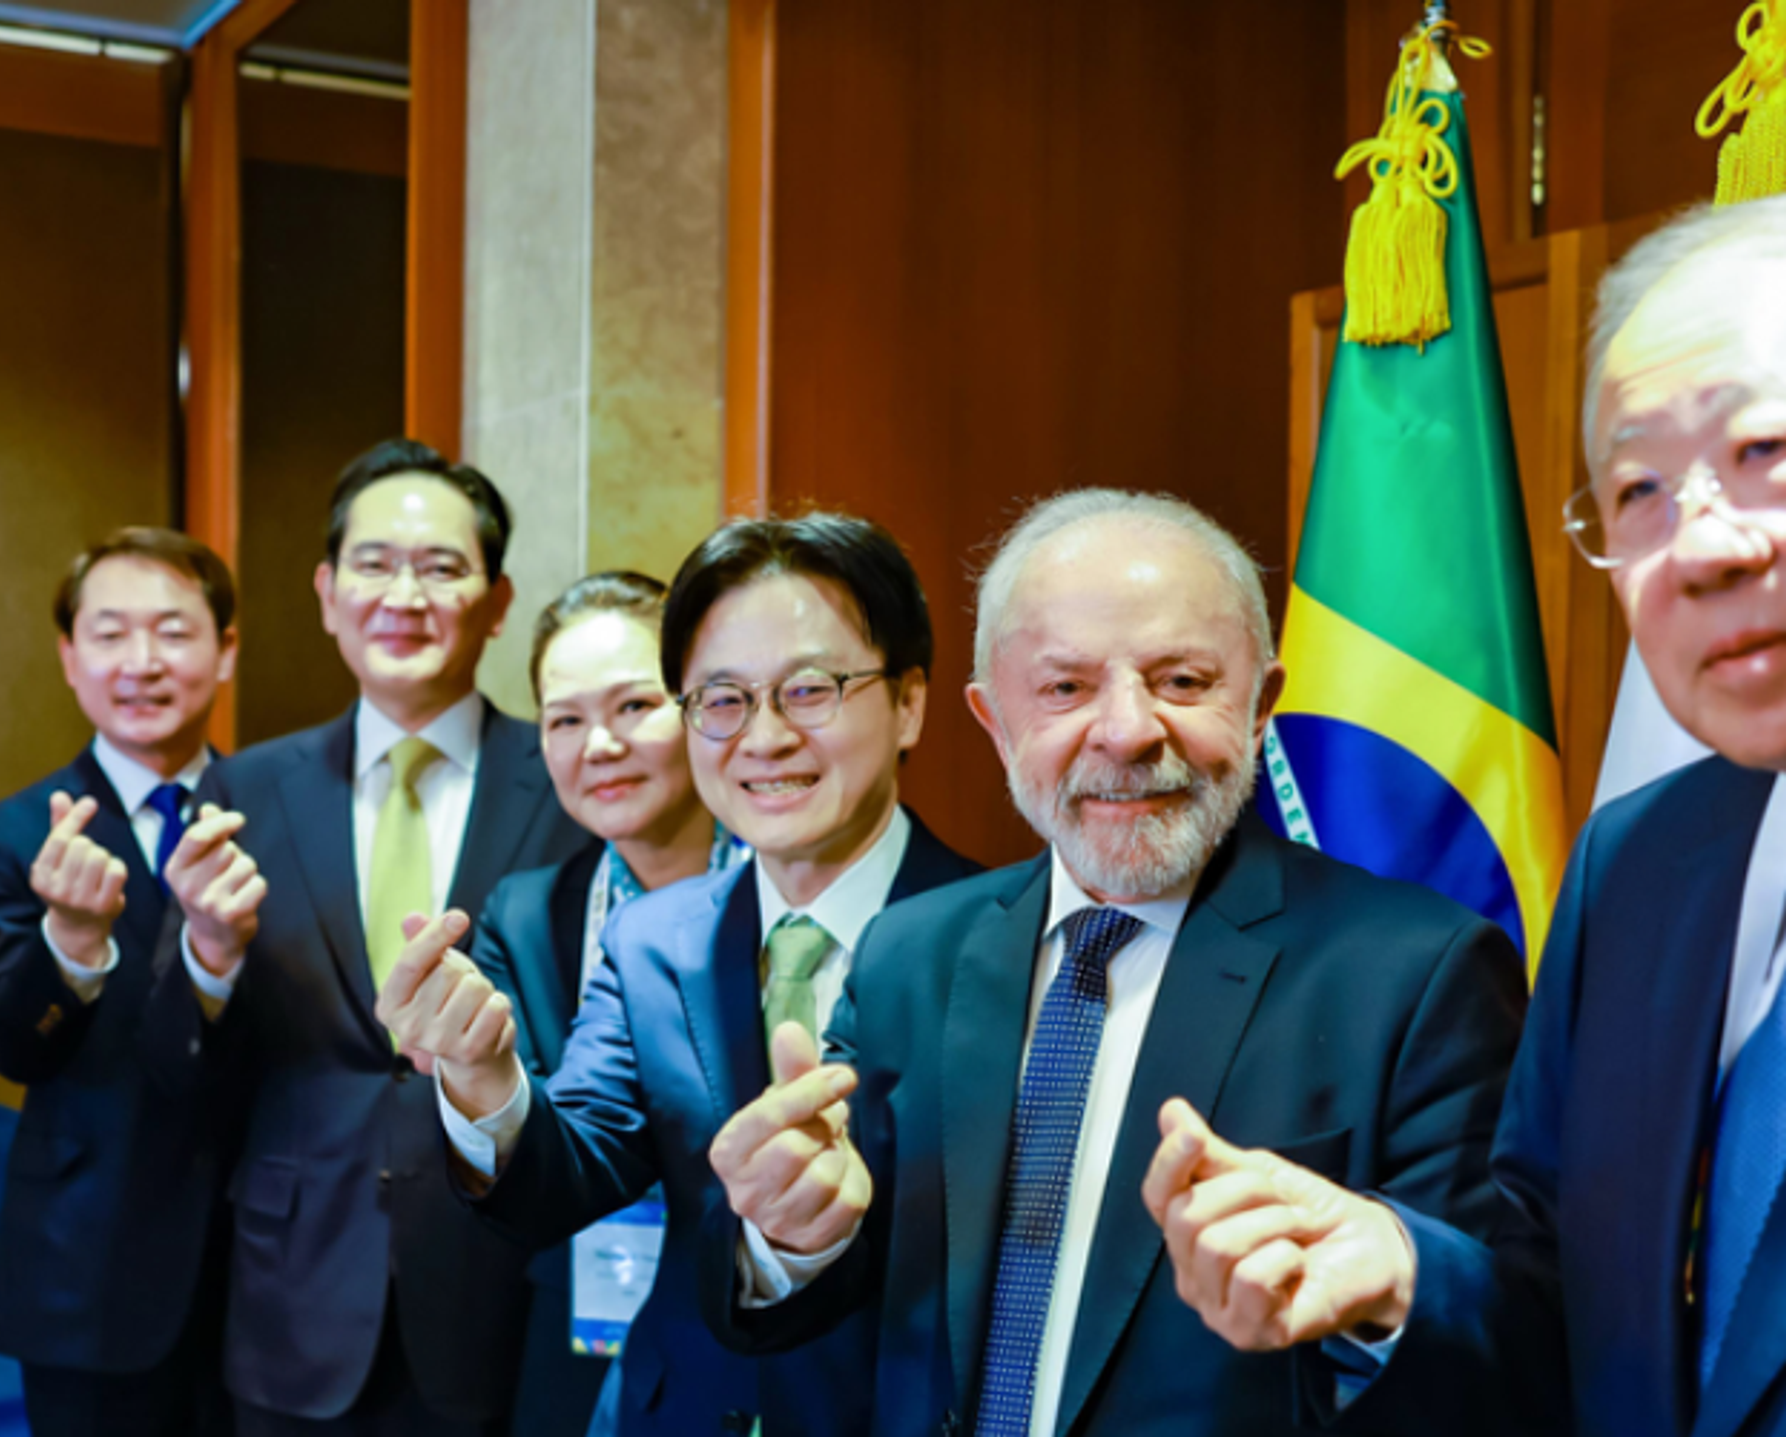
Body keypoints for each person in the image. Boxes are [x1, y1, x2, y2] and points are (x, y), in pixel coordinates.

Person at [1141, 196, 1786, 1437]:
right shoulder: (1644, 862)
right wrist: (1400, 1274)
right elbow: (1569, 1304)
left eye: (1764, 449)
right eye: (1640, 487)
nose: (1701, 544)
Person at [703, 489, 1529, 1437]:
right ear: (994, 720)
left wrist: (1387, 1291)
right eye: (1065, 688)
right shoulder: (912, 952)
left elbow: (1505, 1346)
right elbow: (842, 1307)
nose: (1128, 730)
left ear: (1261, 704)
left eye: (1182, 680)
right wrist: (787, 1236)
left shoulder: (1418, 972)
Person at [377, 513, 979, 1436]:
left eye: (809, 689)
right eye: (722, 699)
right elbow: (567, 1171)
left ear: (909, 702)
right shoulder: (655, 939)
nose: (765, 737)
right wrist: (484, 1079)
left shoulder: (1002, 940)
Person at [141, 439, 587, 1436]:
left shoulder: (569, 784)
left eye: (441, 568)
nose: (404, 596)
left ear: (498, 600)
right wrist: (209, 954)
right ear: (327, 593)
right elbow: (172, 1064)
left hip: (501, 1287)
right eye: (374, 564)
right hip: (292, 1292)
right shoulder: (247, 788)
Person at [0, 528, 238, 1436]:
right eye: (110, 634)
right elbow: (9, 1045)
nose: (141, 661)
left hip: (270, 1271)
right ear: (70, 658)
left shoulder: (285, 812)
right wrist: (72, 943)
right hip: (88, 1275)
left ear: (226, 651)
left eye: (173, 631)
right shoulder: (6, 837)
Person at [470, 570, 741, 1435]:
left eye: (634, 705)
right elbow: (531, 1149)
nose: (599, 744)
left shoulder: (785, 889)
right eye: (564, 720)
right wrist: (468, 1078)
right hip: (574, 1313)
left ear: (703, 707)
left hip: (754, 1314)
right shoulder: (525, 911)